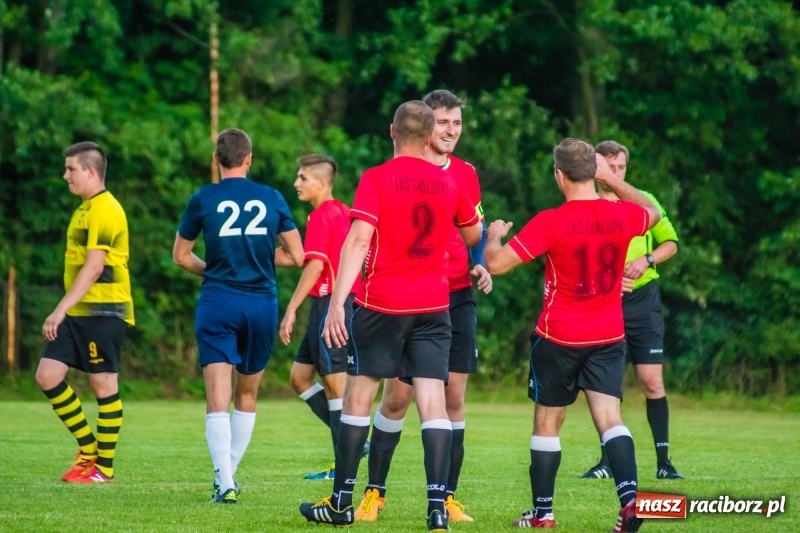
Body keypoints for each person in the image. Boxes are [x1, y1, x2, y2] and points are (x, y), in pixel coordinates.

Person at [298, 100, 482, 531]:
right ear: (430, 135)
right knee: (433, 402)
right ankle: (437, 509)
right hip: (435, 306)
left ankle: (342, 503)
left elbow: (359, 240)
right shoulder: (448, 182)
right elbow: (472, 232)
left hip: (383, 304)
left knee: (360, 396)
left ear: (392, 132)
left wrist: (338, 303)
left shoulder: (377, 178)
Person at [484, 138, 661, 532]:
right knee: (610, 418)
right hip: (608, 335)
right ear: (594, 171)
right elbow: (653, 209)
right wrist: (611, 181)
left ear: (559, 175)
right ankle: (630, 502)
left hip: (559, 336)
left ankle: (543, 515)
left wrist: (493, 234)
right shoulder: (622, 216)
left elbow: (495, 264)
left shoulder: (552, 220)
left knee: (547, 423)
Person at [353, 89, 491, 524]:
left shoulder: (465, 174)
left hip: (454, 296)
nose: (451, 131)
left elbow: (474, 231)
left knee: (453, 396)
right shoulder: (399, 173)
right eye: (444, 123)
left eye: (457, 123)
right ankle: (375, 492)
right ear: (426, 129)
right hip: (410, 296)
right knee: (397, 396)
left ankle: (445, 498)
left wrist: (480, 265)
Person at [173, 128, 304, 504]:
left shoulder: (203, 198)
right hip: (261, 304)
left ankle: (225, 482)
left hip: (218, 302)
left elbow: (181, 256)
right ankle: (227, 477)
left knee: (218, 396)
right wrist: (260, 258)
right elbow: (297, 255)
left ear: (217, 160)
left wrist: (215, 267)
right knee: (247, 394)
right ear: (249, 159)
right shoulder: (271, 197)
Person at [580, 140, 682, 480]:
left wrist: (646, 259)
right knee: (606, 383)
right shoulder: (584, 204)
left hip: (642, 300)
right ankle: (607, 462)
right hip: (602, 301)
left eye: (620, 167)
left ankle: (664, 462)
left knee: (651, 381)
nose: (614, 173)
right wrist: (605, 281)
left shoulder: (643, 202)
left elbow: (671, 242)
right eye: (608, 166)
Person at [35, 141, 134, 484]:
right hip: (79, 311)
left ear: (91, 171)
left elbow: (94, 268)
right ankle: (88, 450)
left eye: (71, 169)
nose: (66, 176)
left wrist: (58, 309)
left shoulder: (106, 209)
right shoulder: (84, 209)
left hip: (104, 310)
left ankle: (103, 470)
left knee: (102, 383)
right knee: (47, 375)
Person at [278, 154, 364, 480]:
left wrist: (291, 309)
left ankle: (343, 468)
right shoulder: (345, 212)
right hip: (335, 304)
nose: (296, 184)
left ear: (322, 182)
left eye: (303, 178)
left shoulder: (322, 216)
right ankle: (354, 440)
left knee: (336, 389)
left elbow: (314, 266)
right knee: (300, 377)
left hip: (333, 305)